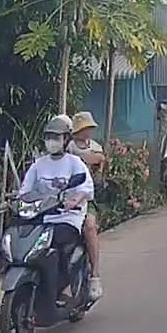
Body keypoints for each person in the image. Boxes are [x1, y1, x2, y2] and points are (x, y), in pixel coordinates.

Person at [18, 114, 96, 302]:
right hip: (42, 218)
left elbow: (86, 187)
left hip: (68, 217)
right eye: (48, 137)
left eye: (56, 137)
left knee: (57, 243)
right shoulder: (38, 165)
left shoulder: (74, 163)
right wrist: (18, 200)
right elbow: (25, 191)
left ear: (66, 139)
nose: (51, 141)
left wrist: (75, 199)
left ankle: (64, 285)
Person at [69, 111, 105, 300]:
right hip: (65, 198)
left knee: (90, 226)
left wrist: (83, 158)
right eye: (85, 128)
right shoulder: (68, 147)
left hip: (87, 197)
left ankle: (95, 276)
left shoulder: (94, 146)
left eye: (90, 128)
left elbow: (99, 159)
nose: (88, 131)